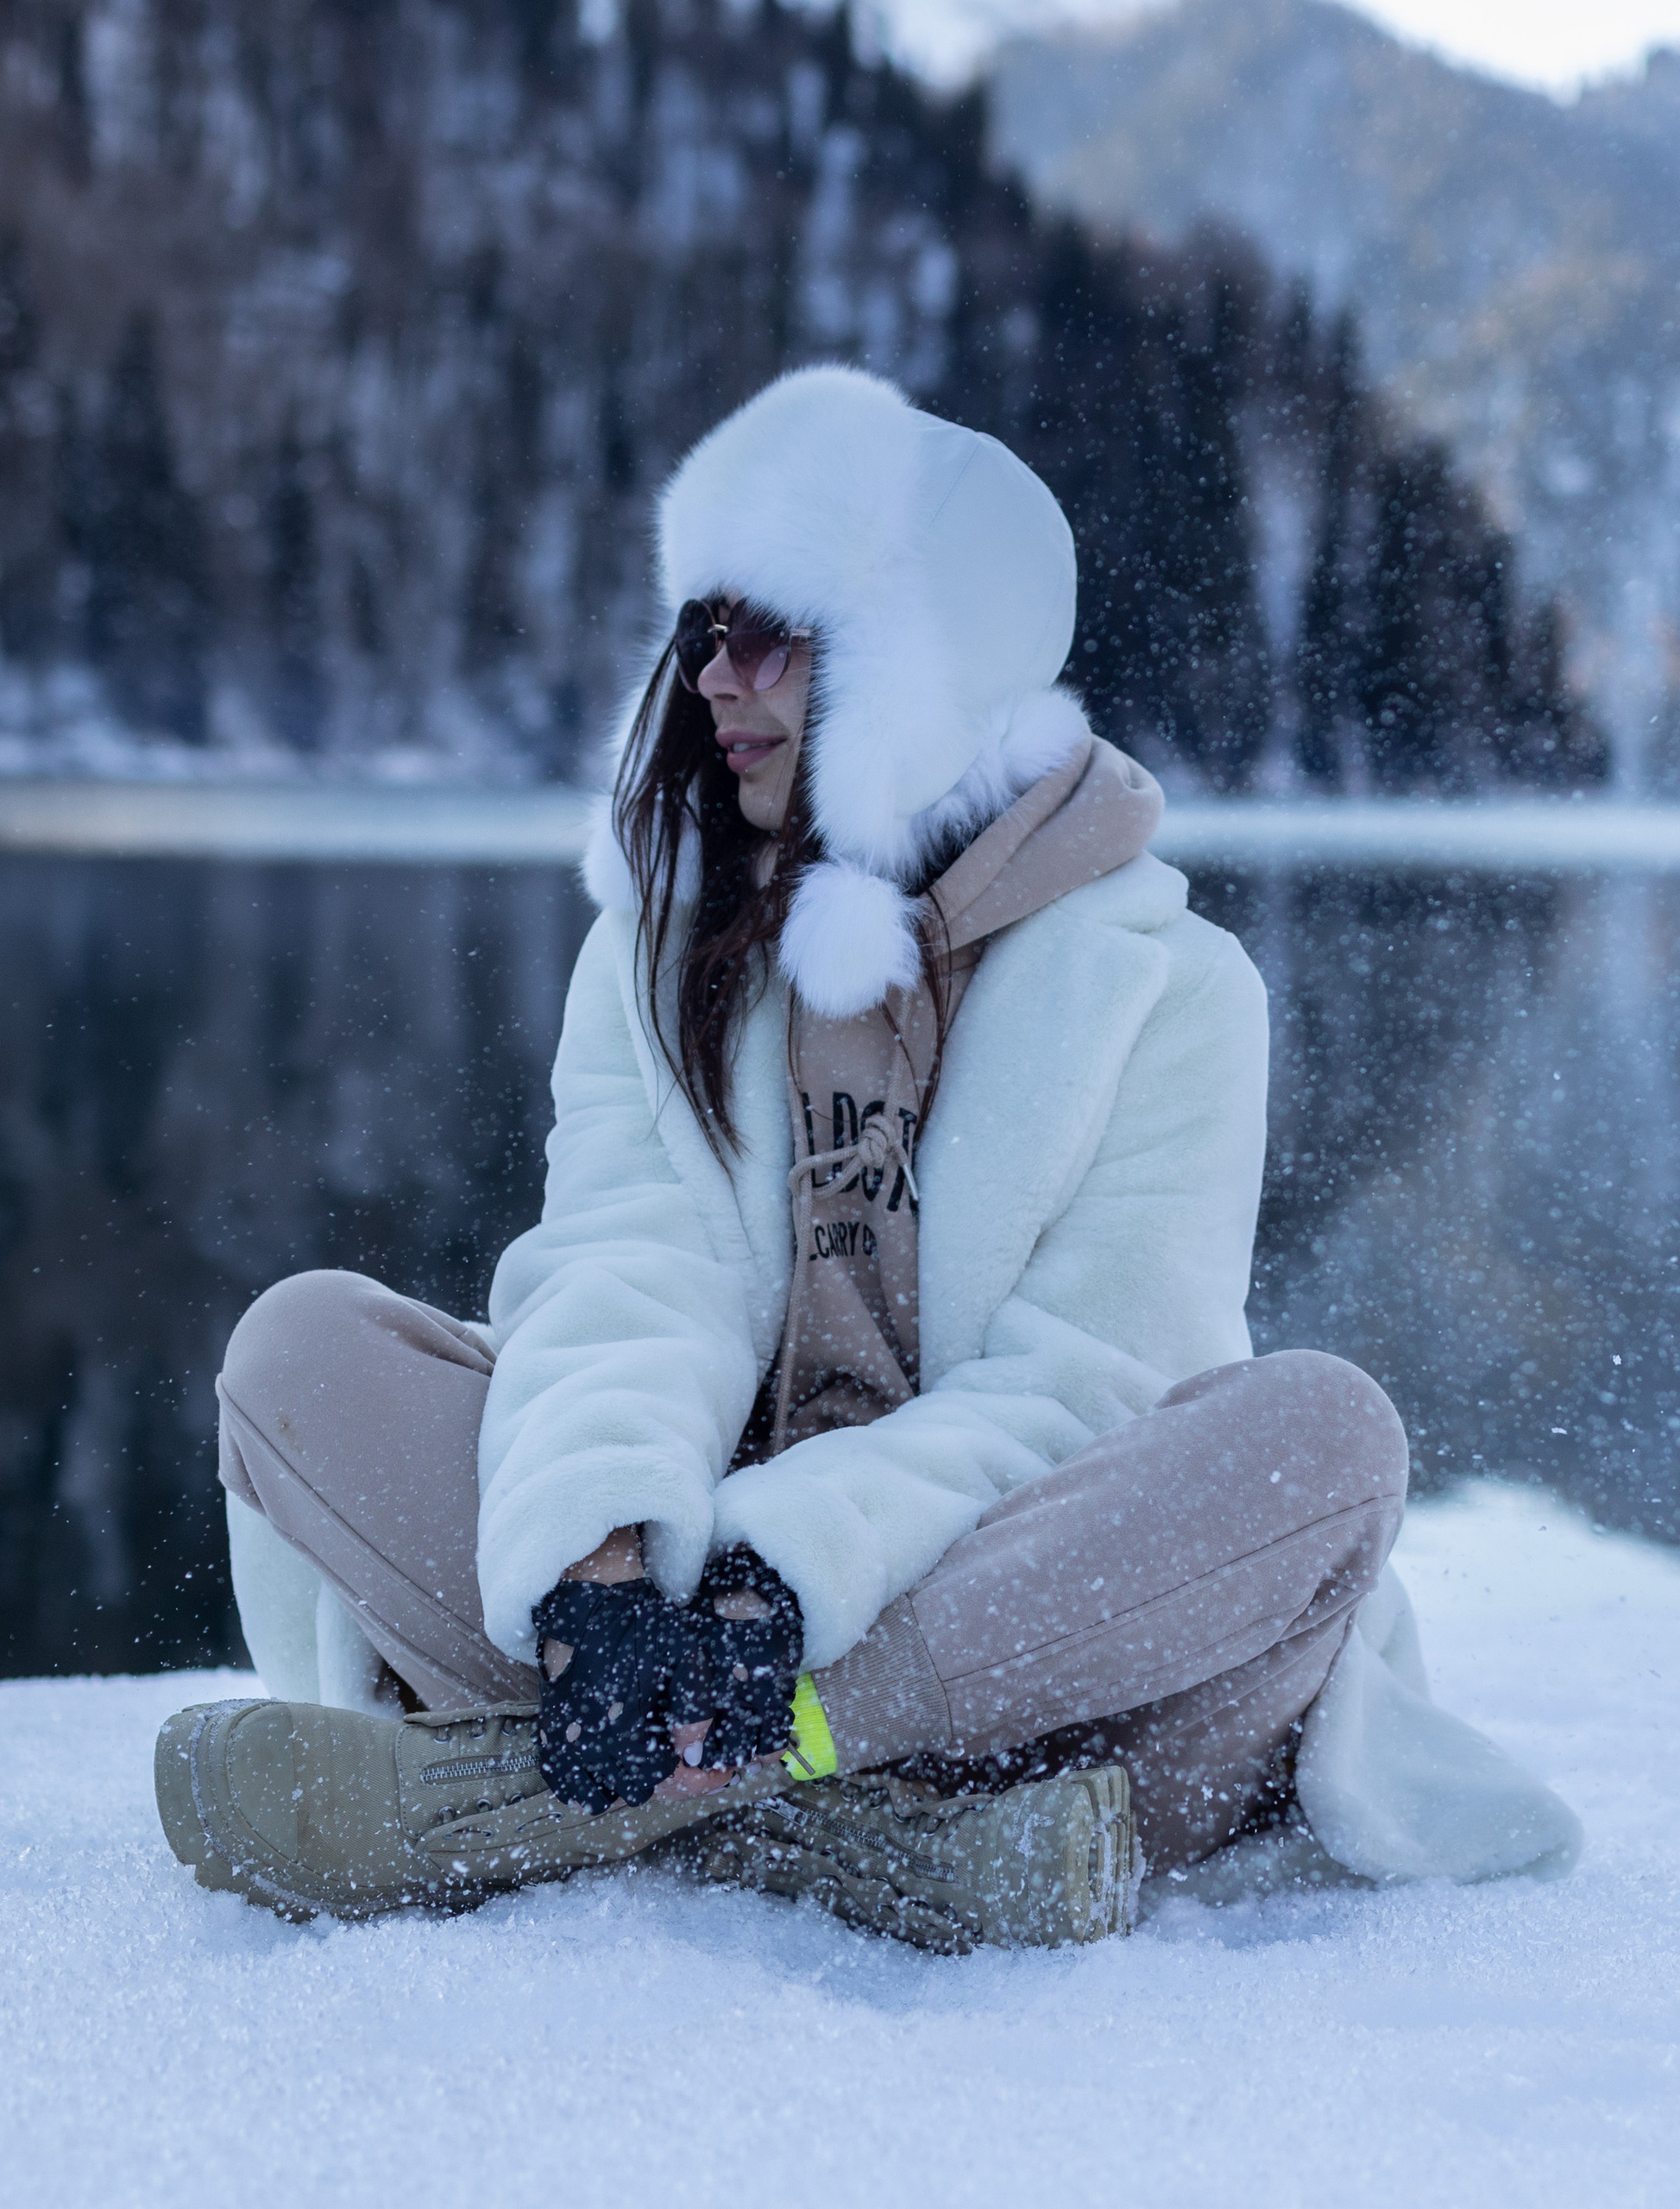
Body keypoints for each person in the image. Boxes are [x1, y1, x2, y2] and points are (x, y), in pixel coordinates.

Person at [157, 367, 1579, 1948]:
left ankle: (666, 1780)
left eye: (766, 635)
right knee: (300, 1349)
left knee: (1321, 1439)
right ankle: (776, 1797)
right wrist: (605, 1575)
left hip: (1016, 1673)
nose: (714, 680)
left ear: (922, 665)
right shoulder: (662, 951)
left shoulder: (1172, 993)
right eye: (701, 632)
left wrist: (785, 1591)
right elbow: (627, 1267)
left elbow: (1080, 1388)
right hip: (692, 1641)